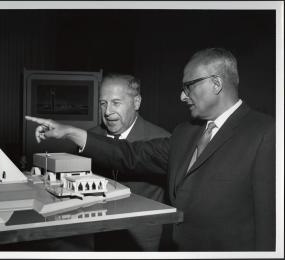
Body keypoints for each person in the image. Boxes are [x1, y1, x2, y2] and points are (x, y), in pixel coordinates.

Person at [26, 47, 275, 251]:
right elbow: (128, 155)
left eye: (188, 86)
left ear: (216, 83)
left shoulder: (266, 132)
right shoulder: (184, 133)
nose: (182, 96)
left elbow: (270, 225)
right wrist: (71, 132)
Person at [89, 73, 171, 251]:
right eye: (103, 103)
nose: (108, 111)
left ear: (137, 103)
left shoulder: (161, 139)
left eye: (116, 103)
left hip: (143, 243)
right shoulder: (90, 139)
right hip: (99, 238)